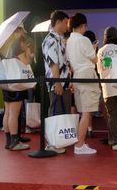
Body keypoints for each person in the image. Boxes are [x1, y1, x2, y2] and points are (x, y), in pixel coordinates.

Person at [66, 13, 100, 154]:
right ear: (83, 25)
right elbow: (95, 60)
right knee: (87, 113)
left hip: (77, 76)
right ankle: (79, 145)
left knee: (84, 112)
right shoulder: (84, 39)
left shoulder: (68, 41)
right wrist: (94, 49)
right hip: (87, 75)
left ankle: (80, 144)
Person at [42, 10, 71, 154]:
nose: (67, 26)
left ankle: (58, 142)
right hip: (57, 83)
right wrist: (58, 83)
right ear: (58, 22)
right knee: (55, 112)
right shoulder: (50, 39)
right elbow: (53, 63)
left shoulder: (59, 38)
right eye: (66, 22)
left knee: (61, 113)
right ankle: (51, 144)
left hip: (63, 83)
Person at [2, 32, 31, 151]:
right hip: (16, 83)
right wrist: (27, 54)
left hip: (6, 82)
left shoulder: (5, 45)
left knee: (8, 112)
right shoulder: (16, 45)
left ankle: (9, 141)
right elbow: (24, 63)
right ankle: (15, 142)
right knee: (14, 113)